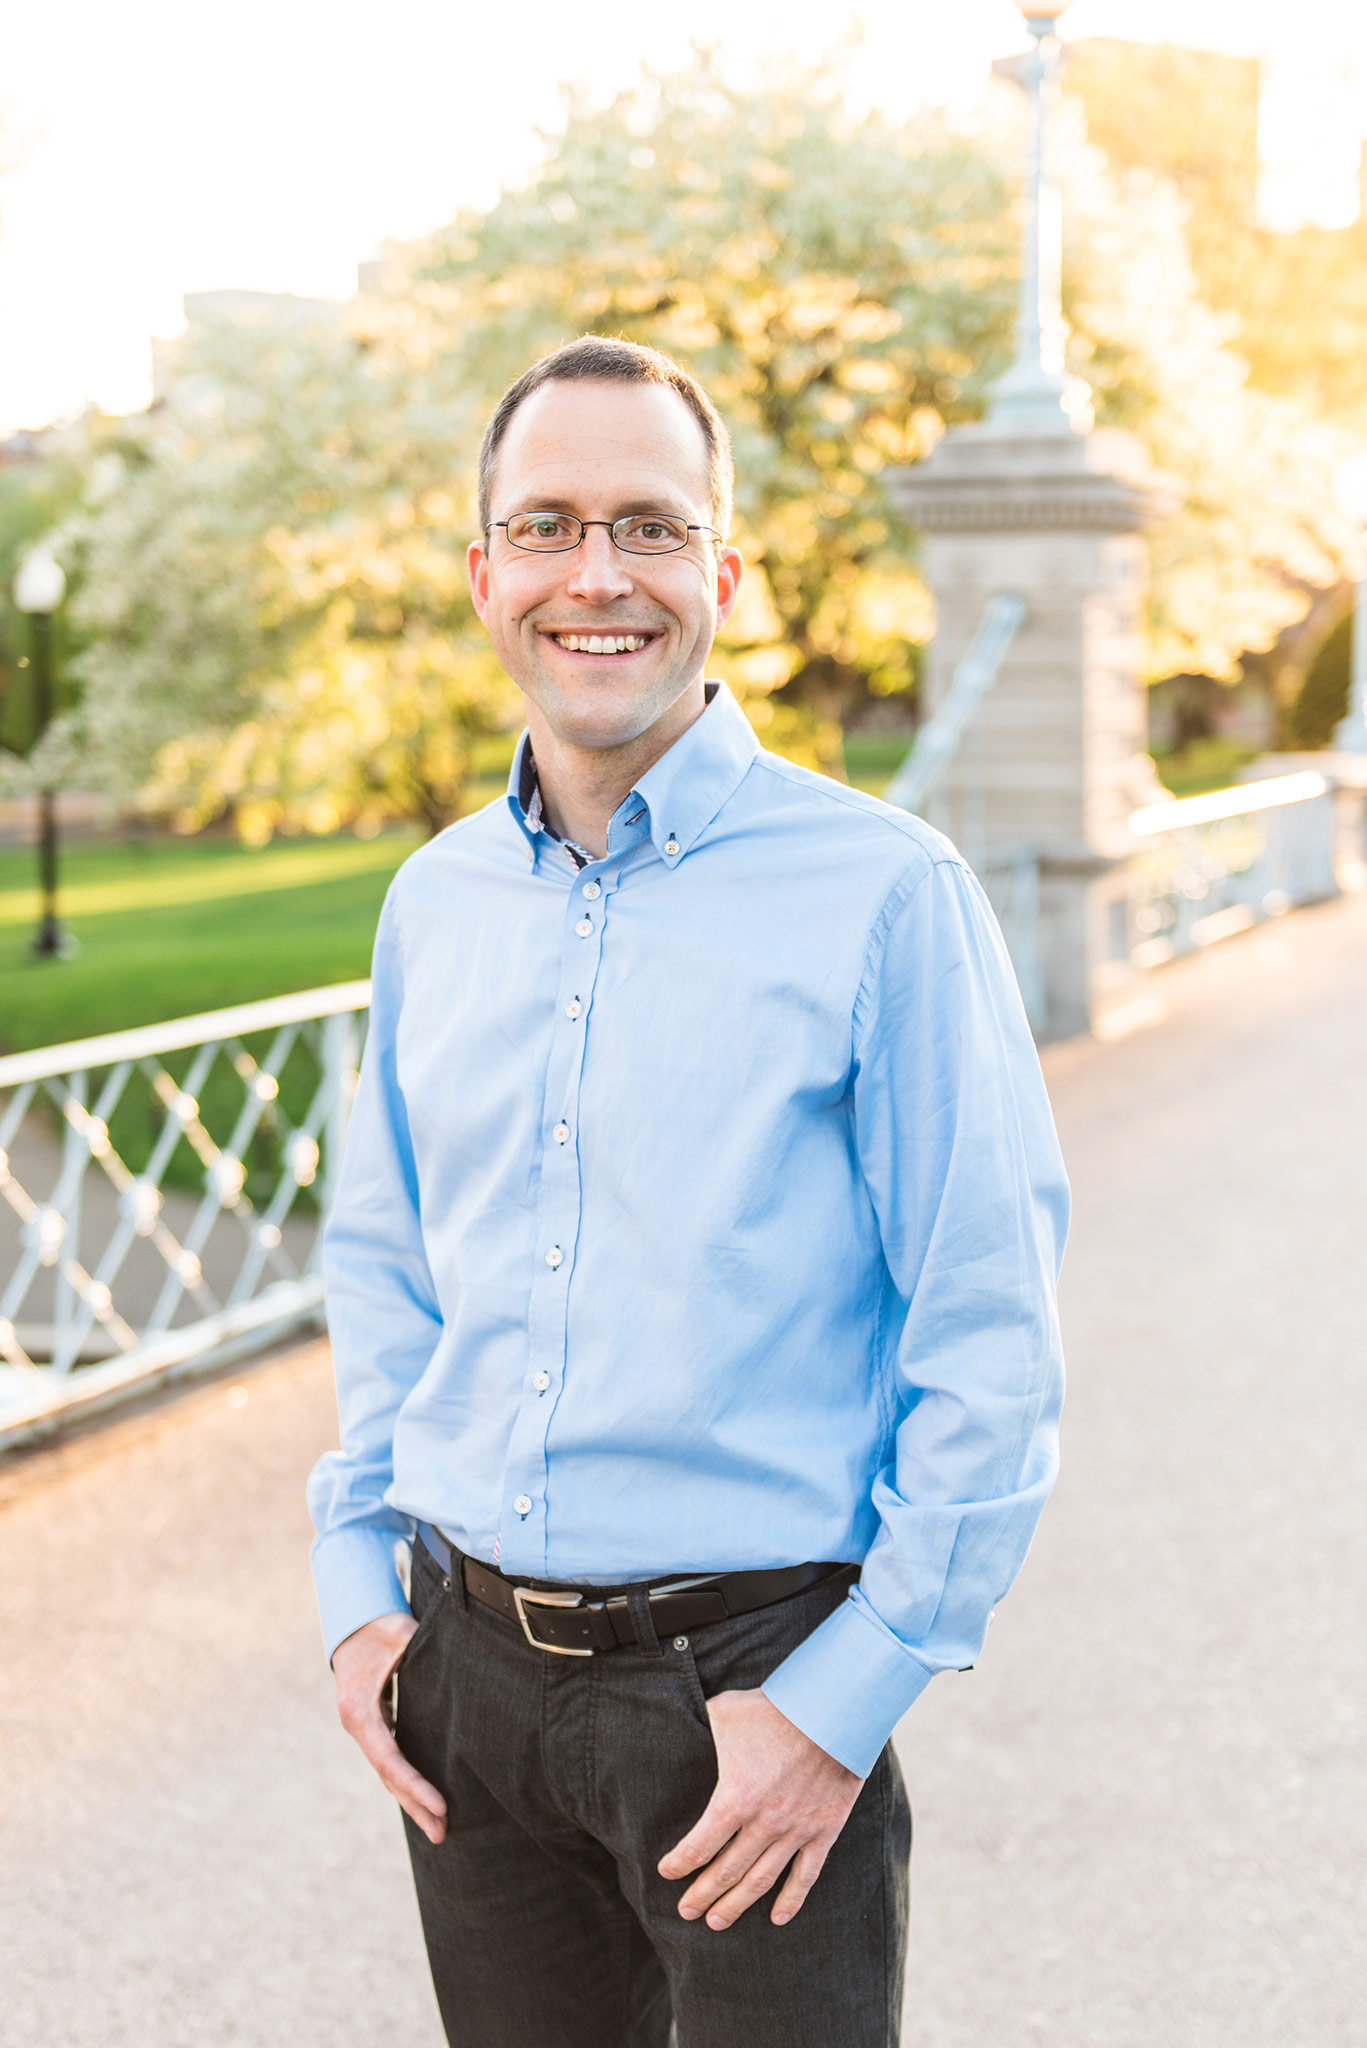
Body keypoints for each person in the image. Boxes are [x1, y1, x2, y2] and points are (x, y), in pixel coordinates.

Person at [308, 334, 1068, 2048]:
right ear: (485, 571)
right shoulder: (433, 904)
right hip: (469, 1696)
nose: (599, 576)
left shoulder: (886, 897)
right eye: (552, 525)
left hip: (752, 1694)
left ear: (722, 572)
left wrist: (844, 1702)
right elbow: (384, 1266)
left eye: (649, 527)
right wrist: (362, 1603)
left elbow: (994, 1335)